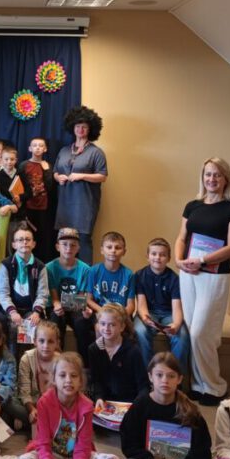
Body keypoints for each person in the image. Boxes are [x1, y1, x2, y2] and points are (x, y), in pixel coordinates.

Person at [174, 157, 230, 405]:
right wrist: (178, 259)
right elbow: (182, 237)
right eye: (208, 174)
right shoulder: (192, 205)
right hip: (188, 274)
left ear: (226, 179)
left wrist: (202, 260)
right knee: (192, 330)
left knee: (202, 332)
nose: (212, 179)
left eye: (217, 175)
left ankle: (215, 386)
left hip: (214, 276)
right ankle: (198, 384)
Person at [119, 352, 224, 459]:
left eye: (171, 376)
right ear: (150, 377)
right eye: (159, 375)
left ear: (179, 379)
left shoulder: (190, 410)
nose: (165, 381)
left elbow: (202, 452)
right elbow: (129, 444)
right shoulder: (141, 405)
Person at [16, 352, 120, 459]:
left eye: (74, 376)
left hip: (77, 457)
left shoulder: (87, 406)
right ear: (54, 379)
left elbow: (83, 445)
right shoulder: (44, 402)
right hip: (53, 454)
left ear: (81, 381)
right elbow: (42, 442)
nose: (68, 380)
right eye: (62, 375)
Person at [53, 106, 107, 264]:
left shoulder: (96, 152)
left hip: (84, 203)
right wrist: (58, 177)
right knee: (64, 240)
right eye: (77, 126)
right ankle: (64, 273)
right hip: (65, 203)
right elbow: (55, 171)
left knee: (83, 240)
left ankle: (86, 276)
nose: (80, 129)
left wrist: (82, 175)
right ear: (72, 127)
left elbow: (102, 176)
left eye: (84, 126)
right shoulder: (64, 151)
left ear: (90, 129)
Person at [133, 237, 189, 367]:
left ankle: (175, 373)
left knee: (182, 336)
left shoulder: (174, 279)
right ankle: (148, 373)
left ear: (169, 258)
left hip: (169, 314)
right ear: (147, 256)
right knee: (140, 331)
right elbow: (141, 304)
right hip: (148, 313)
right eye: (154, 254)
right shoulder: (139, 275)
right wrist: (146, 319)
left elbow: (177, 308)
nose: (157, 257)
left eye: (162, 255)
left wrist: (176, 324)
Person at [45, 228, 94, 361]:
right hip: (57, 305)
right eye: (64, 244)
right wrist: (57, 304)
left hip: (75, 306)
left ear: (78, 248)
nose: (68, 248)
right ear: (57, 247)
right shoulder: (49, 268)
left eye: (73, 245)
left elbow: (81, 297)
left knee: (82, 323)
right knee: (55, 321)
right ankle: (55, 361)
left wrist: (84, 309)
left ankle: (84, 364)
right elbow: (54, 296)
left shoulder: (85, 269)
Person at [0, 227, 49, 348]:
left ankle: (28, 358)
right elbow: (3, 293)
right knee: (13, 327)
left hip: (31, 309)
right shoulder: (5, 265)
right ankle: (13, 358)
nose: (24, 242)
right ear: (14, 245)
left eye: (28, 239)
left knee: (33, 326)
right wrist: (13, 312)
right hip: (11, 309)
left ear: (33, 244)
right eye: (20, 240)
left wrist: (36, 312)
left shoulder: (40, 266)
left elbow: (43, 293)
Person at [87, 304, 148, 404]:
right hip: (105, 401)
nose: (106, 328)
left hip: (130, 401)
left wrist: (137, 404)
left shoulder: (133, 350)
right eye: (103, 324)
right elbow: (96, 381)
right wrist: (99, 398)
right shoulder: (94, 349)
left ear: (122, 327)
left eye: (112, 324)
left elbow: (143, 384)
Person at [17, 320, 61, 426]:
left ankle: (26, 421)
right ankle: (30, 418)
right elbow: (24, 391)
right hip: (31, 404)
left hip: (53, 406)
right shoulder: (26, 359)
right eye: (41, 341)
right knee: (10, 402)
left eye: (50, 341)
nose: (46, 345)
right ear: (35, 341)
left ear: (57, 343)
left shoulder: (61, 361)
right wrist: (32, 409)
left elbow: (62, 393)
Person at [20, 136, 56, 261]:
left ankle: (40, 262)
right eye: (34, 145)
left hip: (43, 207)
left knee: (42, 236)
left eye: (41, 146)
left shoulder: (47, 166)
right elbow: (19, 186)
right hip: (28, 206)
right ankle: (26, 259)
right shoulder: (24, 165)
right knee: (28, 235)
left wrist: (46, 171)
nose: (37, 148)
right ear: (30, 148)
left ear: (45, 149)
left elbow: (50, 187)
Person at [85, 231, 135, 317]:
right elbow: (89, 300)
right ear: (102, 250)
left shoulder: (129, 274)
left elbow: (131, 305)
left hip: (121, 315)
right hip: (100, 313)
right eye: (109, 247)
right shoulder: (93, 271)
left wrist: (120, 316)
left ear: (124, 251)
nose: (113, 250)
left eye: (118, 248)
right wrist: (103, 313)